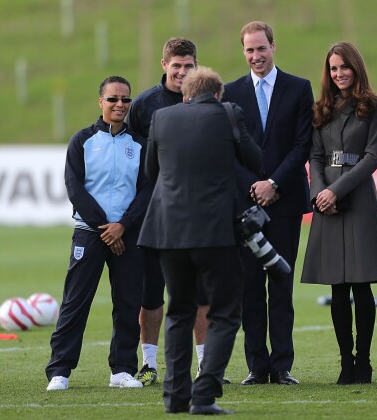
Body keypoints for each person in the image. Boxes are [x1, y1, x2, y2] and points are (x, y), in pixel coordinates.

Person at [137, 66, 262, 414]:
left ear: (187, 95)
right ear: (218, 94)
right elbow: (256, 160)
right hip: (214, 232)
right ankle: (204, 395)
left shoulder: (161, 118)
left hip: (168, 230)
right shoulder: (228, 113)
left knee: (178, 311)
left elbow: (151, 172)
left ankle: (176, 398)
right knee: (224, 313)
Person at [45, 76, 151, 390]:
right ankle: (60, 371)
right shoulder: (82, 140)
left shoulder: (140, 143)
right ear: (100, 102)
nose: (120, 105)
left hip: (128, 233)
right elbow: (74, 187)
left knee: (129, 303)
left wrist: (123, 227)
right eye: (113, 99)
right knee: (75, 302)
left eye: (125, 100)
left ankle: (121, 370)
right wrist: (107, 229)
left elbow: (147, 190)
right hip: (91, 232)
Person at [223, 21, 314, 385]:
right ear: (243, 52)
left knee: (281, 285)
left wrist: (274, 183)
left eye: (261, 48)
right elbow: (228, 153)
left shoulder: (298, 88)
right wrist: (255, 187)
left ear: (274, 46)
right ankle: (256, 367)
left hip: (286, 202)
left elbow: (303, 145)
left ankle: (281, 365)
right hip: (245, 207)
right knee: (249, 289)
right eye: (249, 50)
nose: (256, 56)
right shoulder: (230, 93)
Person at [301, 42, 377, 384]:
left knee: (361, 284)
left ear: (356, 67)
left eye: (344, 67)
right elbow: (315, 157)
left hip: (358, 200)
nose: (339, 74)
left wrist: (335, 191)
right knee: (337, 287)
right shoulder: (320, 108)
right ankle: (345, 364)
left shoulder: (375, 107)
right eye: (333, 68)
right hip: (325, 202)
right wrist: (320, 194)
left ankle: (364, 362)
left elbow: (371, 158)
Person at [126, 37, 214, 386]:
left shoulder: (209, 102)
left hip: (198, 214)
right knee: (151, 293)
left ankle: (205, 365)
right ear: (164, 65)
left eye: (188, 65)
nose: (181, 71)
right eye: (175, 65)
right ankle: (148, 365)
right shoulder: (145, 105)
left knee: (199, 294)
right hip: (155, 214)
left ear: (196, 65)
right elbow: (132, 158)